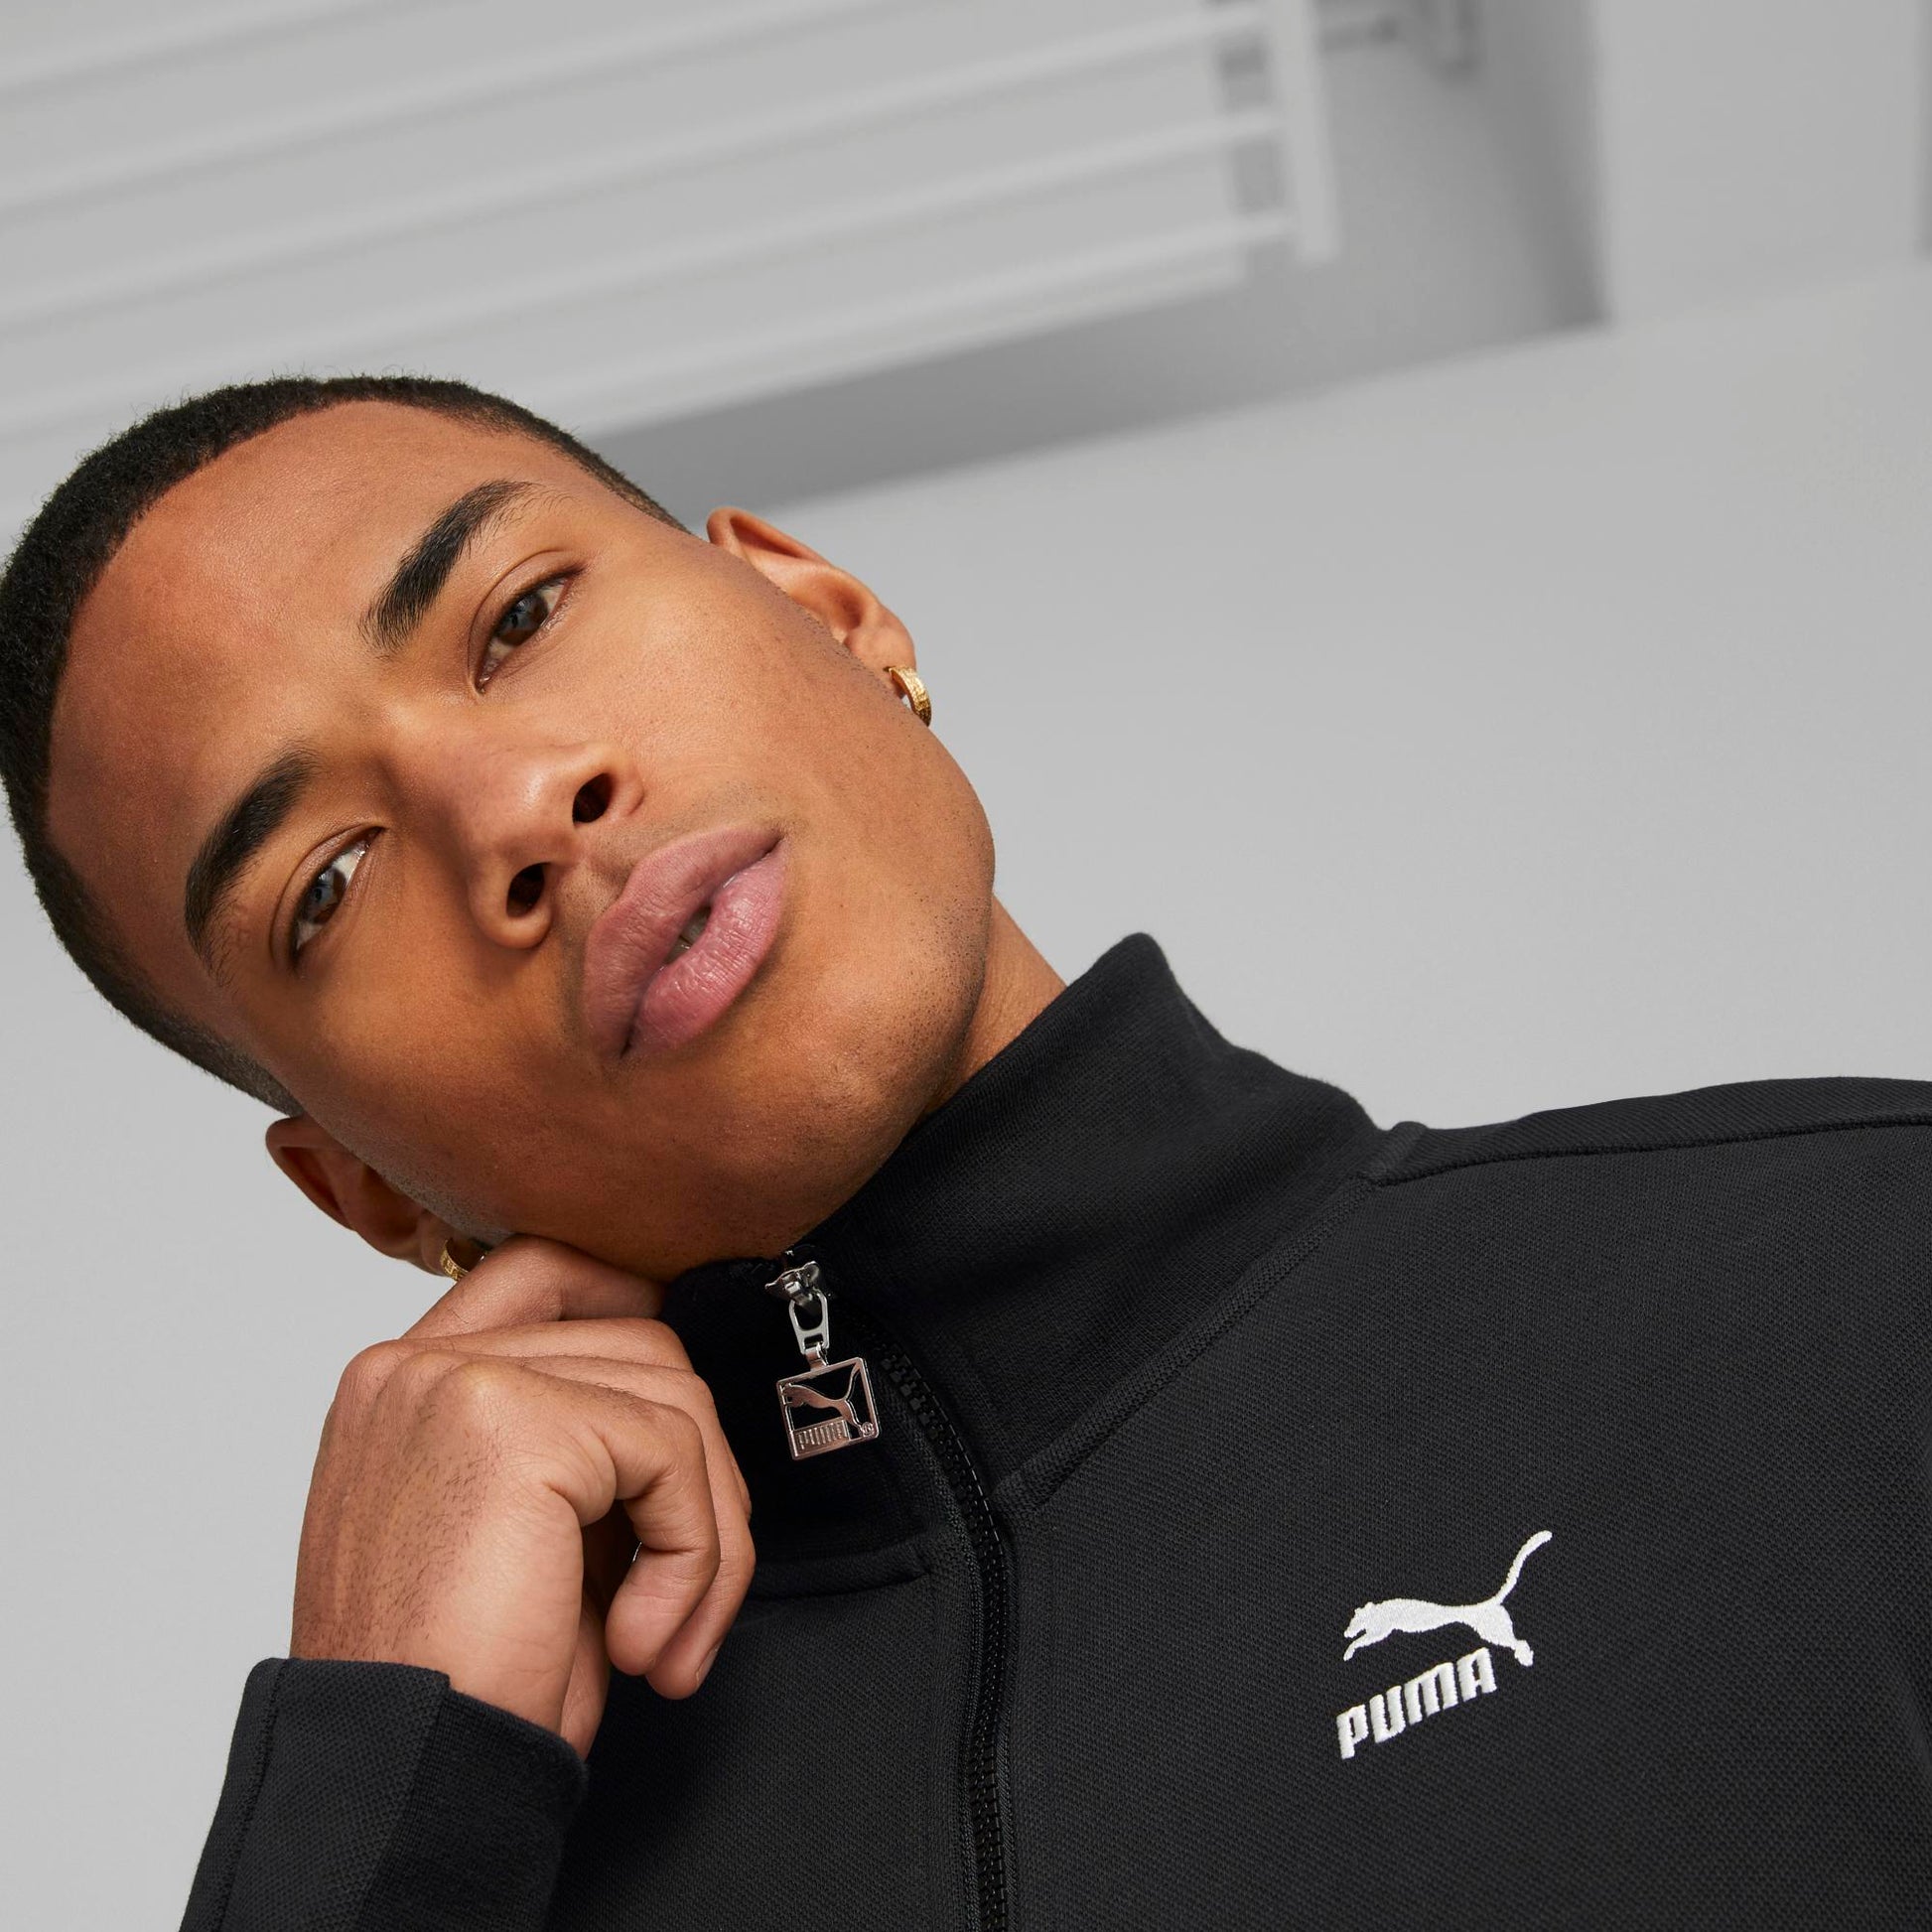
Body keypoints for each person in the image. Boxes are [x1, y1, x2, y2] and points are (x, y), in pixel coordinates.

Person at [5, 374, 1930, 1931]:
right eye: (326, 881)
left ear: (830, 611)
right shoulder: (474, 1848)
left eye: (519, 616)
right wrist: (369, 1803)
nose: (514, 805)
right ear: (368, 1193)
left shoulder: (1861, 1277)